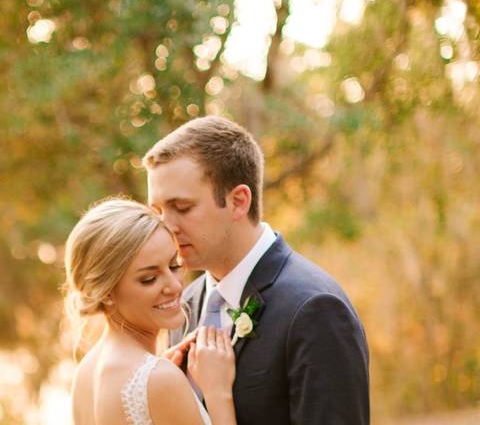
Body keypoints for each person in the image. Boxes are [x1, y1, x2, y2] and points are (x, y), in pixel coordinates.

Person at [144, 115, 370, 425]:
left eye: (182, 208)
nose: (166, 227)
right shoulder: (181, 306)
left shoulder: (315, 309)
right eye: (157, 211)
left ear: (238, 201)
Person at [65, 198, 238, 425]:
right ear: (106, 292)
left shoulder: (85, 373)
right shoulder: (159, 379)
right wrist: (218, 392)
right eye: (149, 279)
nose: (176, 286)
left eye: (174, 265)